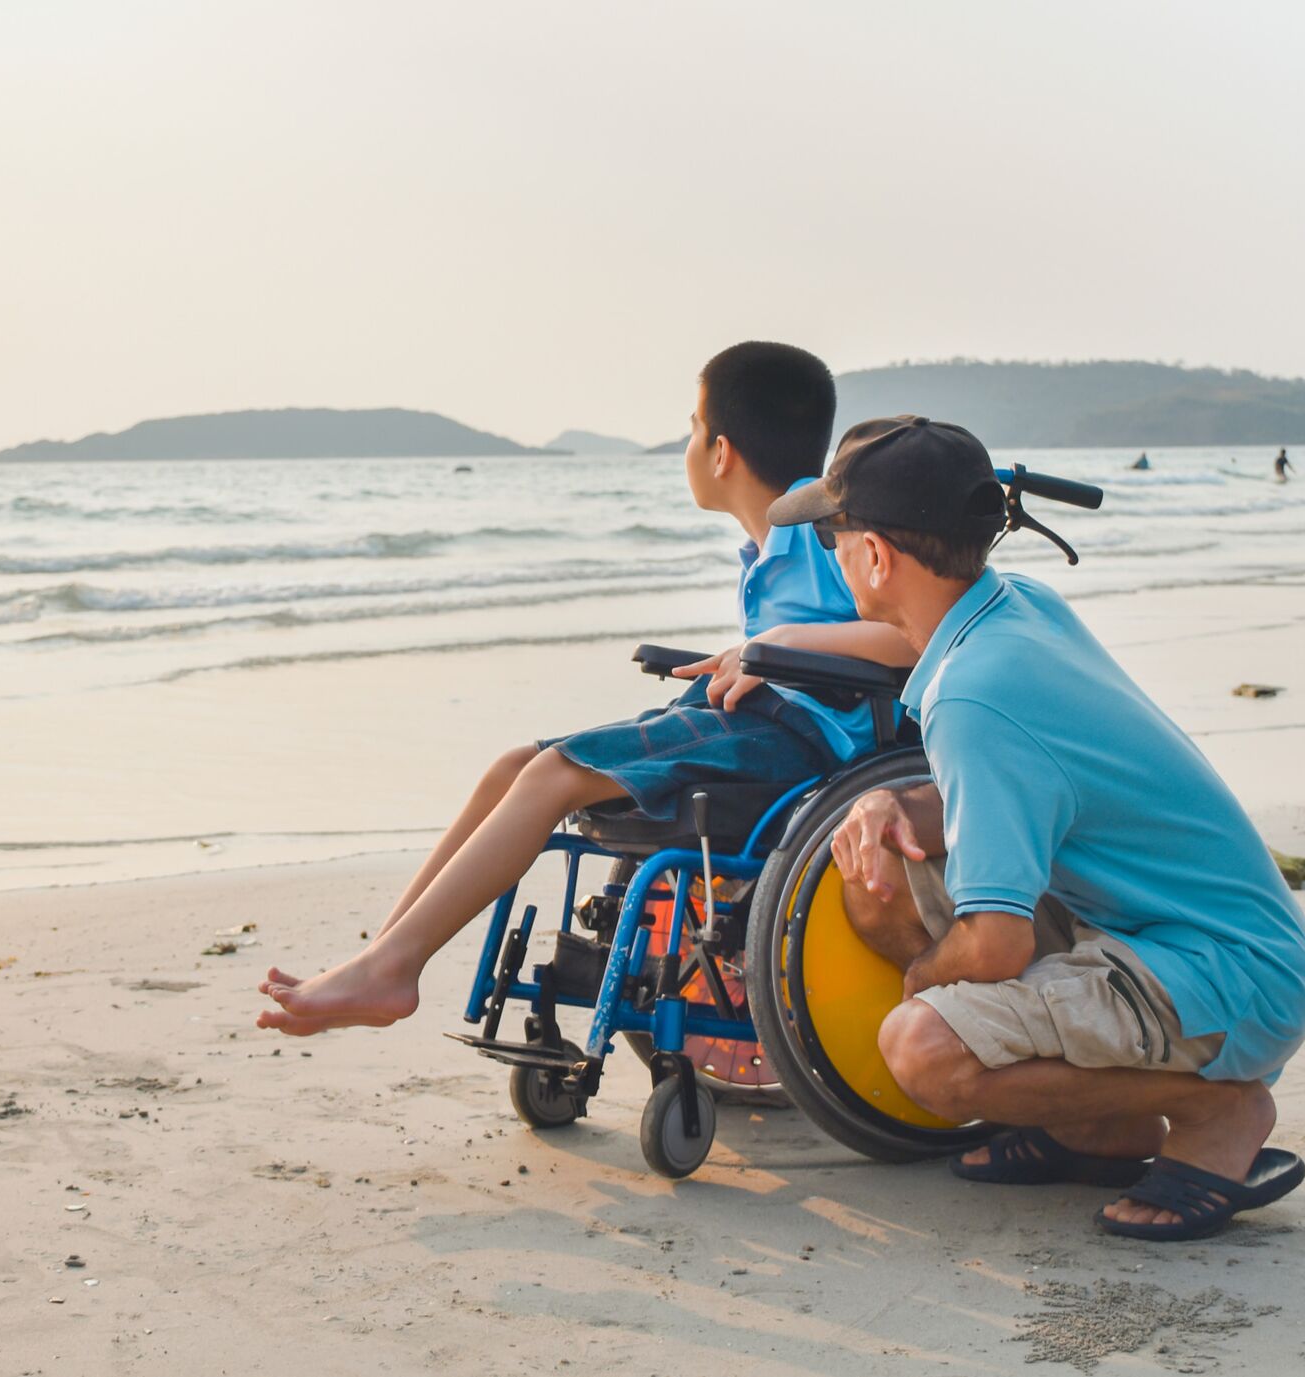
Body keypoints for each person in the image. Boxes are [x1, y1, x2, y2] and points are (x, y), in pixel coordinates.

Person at [768, 415, 1305, 1241]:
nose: (832, 552)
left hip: (1224, 971)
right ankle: (1101, 1123)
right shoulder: (1014, 607)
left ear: (875, 555)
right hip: (1165, 931)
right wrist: (897, 804)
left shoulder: (973, 692)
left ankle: (1218, 1110)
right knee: (878, 868)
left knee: (920, 1048)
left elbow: (997, 946)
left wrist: (923, 981)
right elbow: (1025, 788)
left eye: (831, 535)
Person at [256, 342, 913, 1036]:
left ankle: (389, 969)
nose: (687, 445)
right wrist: (762, 651)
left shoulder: (821, 532)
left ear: (721, 452)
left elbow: (913, 637)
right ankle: (383, 959)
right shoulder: (766, 546)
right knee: (513, 767)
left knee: (552, 775)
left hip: (803, 742)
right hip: (758, 721)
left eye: (692, 428)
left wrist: (780, 645)